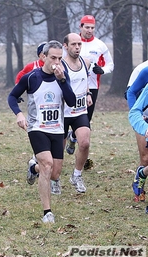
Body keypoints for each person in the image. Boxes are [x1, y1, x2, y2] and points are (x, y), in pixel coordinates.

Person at [8, 40, 76, 223]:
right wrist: (19, 115)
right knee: (47, 165)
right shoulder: (31, 77)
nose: (57, 62)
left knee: (54, 173)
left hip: (57, 129)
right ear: (43, 57)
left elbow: (71, 101)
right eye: (53, 57)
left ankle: (33, 168)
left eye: (60, 58)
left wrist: (62, 80)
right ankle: (47, 212)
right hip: (37, 128)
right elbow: (12, 96)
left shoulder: (63, 75)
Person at [73, 15, 114, 169]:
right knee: (70, 116)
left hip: (92, 87)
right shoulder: (73, 42)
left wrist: (101, 70)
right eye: (87, 27)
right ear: (80, 27)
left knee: (86, 121)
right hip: (73, 87)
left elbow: (111, 65)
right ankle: (70, 137)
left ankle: (79, 150)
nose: (89, 30)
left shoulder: (100, 45)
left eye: (92, 27)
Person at [61, 33, 92, 193]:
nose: (77, 47)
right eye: (73, 44)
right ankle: (53, 178)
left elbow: (85, 81)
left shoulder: (85, 62)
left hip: (80, 111)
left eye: (79, 44)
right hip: (62, 114)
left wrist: (88, 94)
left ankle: (77, 175)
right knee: (58, 151)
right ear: (65, 46)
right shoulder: (60, 65)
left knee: (85, 143)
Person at [127, 66, 148, 201]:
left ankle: (143, 173)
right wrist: (141, 124)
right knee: (145, 159)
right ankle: (141, 181)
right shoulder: (145, 71)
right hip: (144, 119)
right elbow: (131, 93)